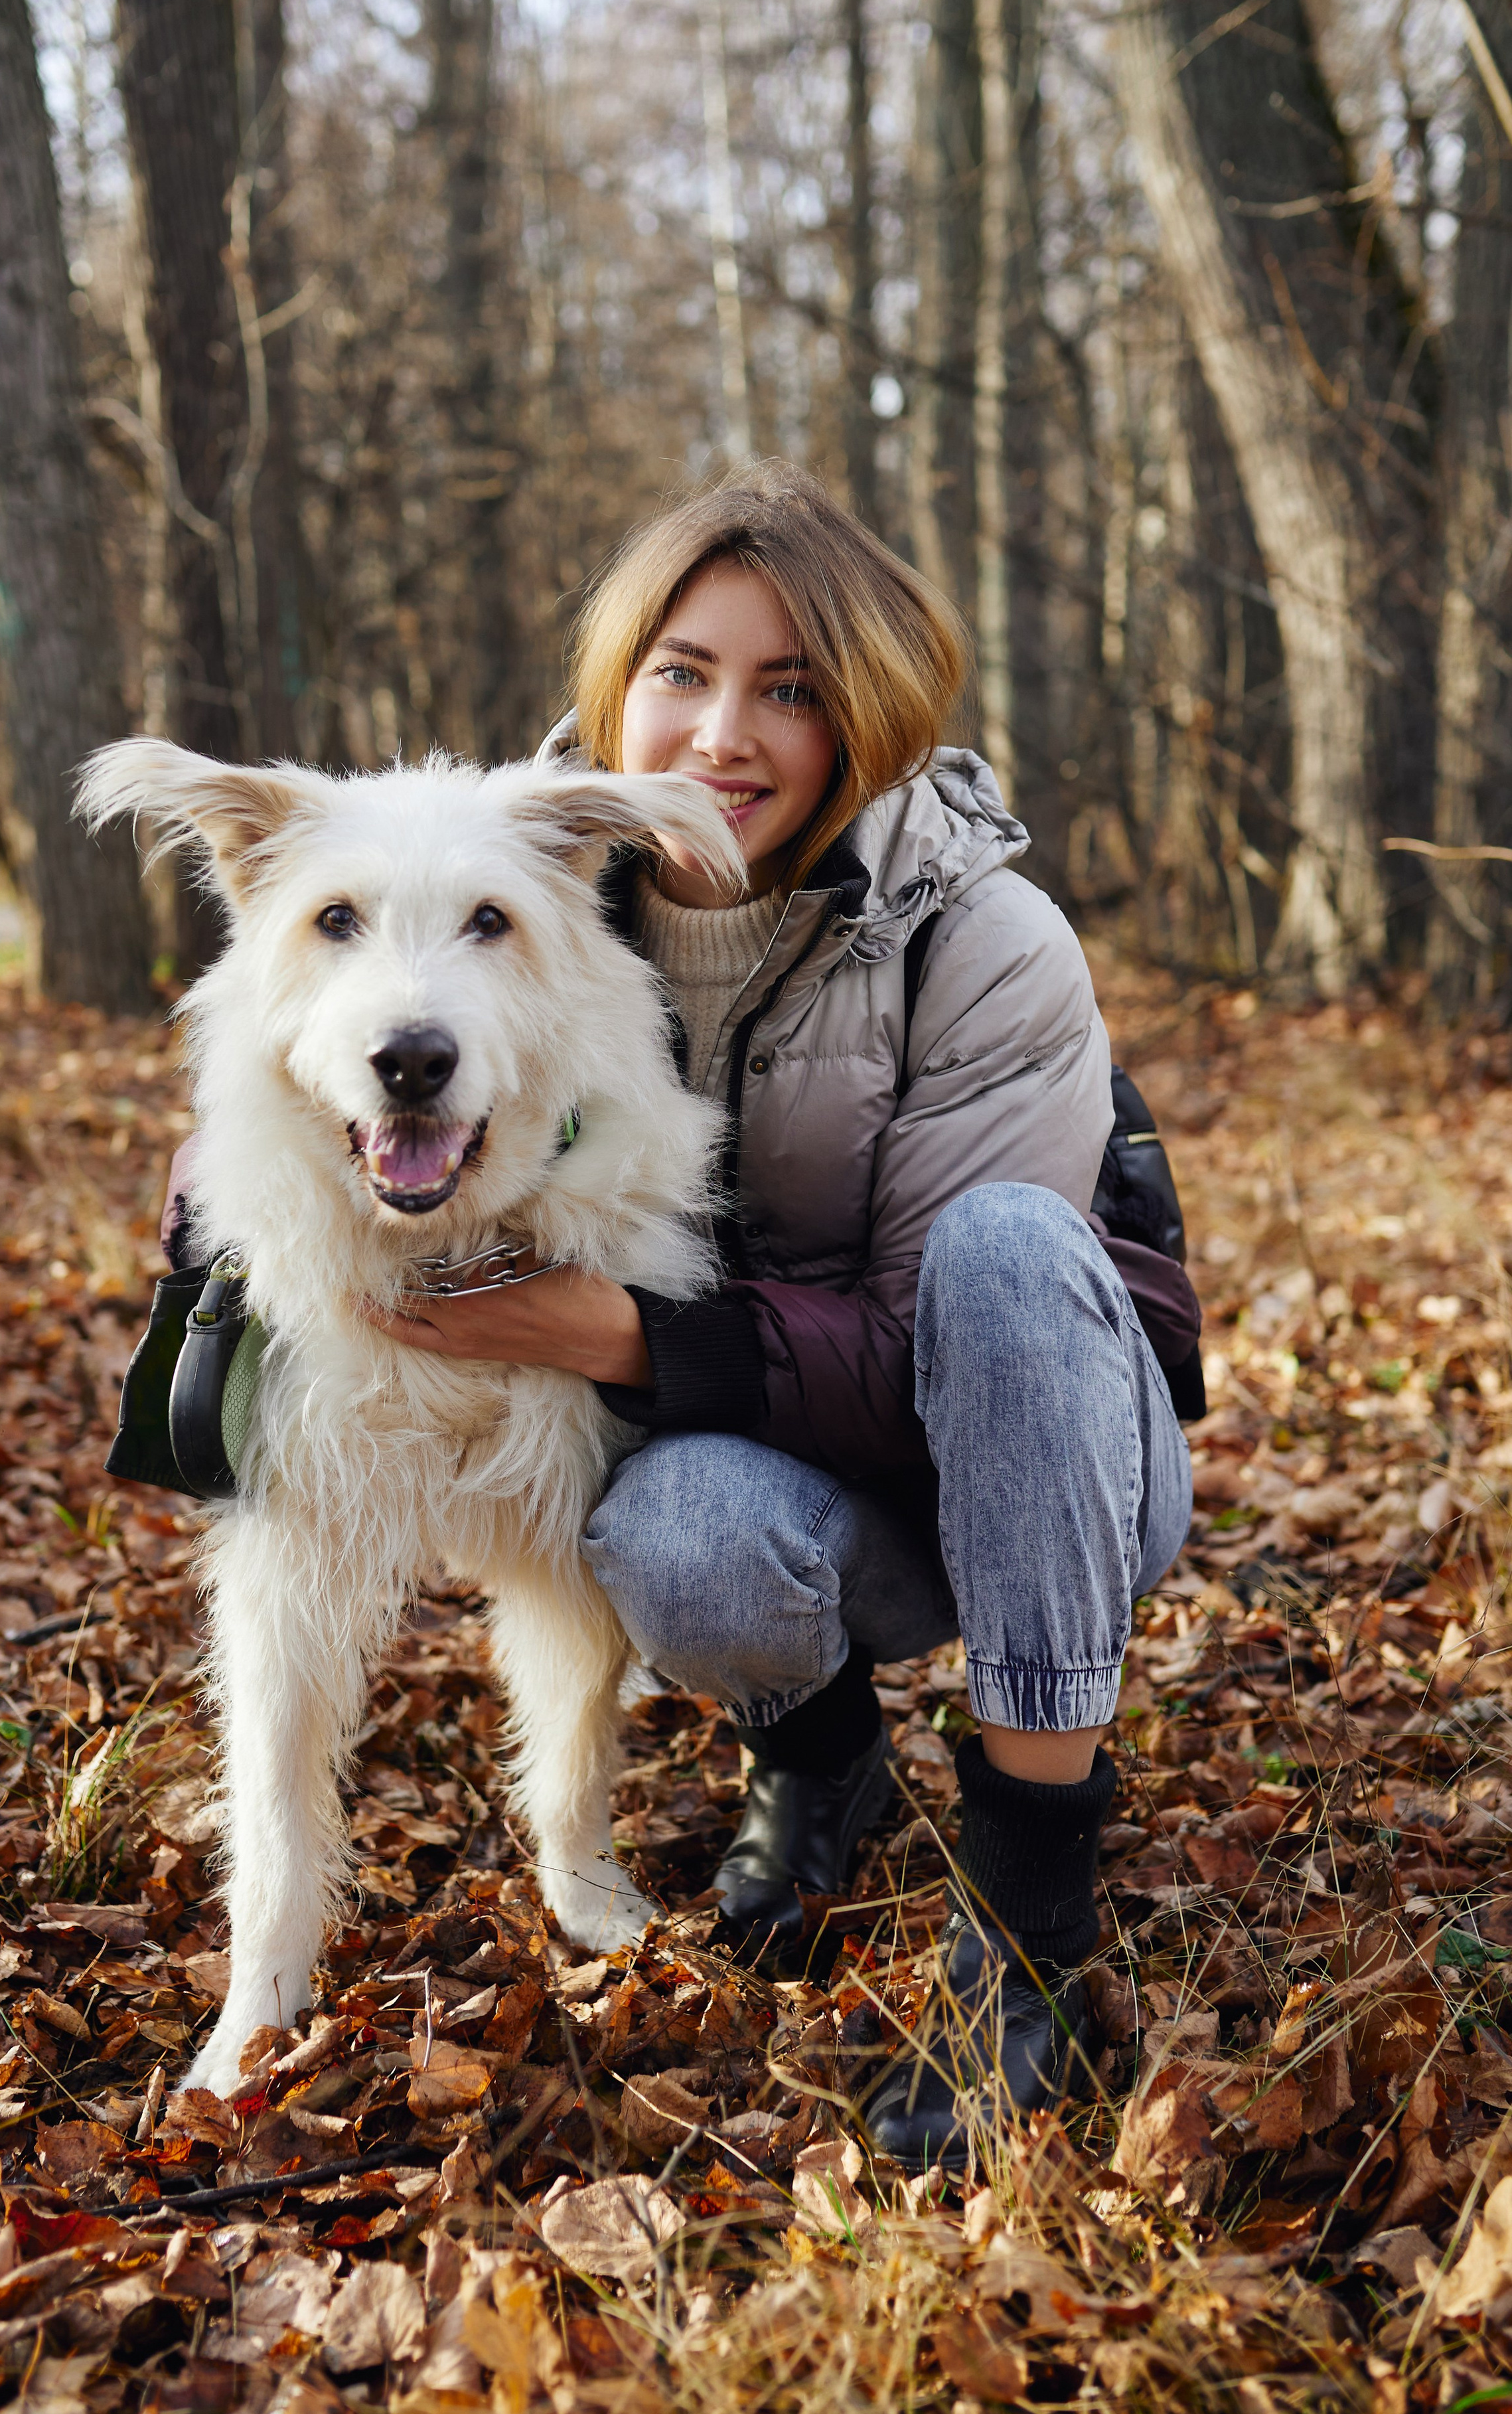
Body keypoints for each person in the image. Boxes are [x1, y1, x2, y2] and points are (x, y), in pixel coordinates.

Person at [281, 464, 1194, 2170]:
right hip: (778, 1475)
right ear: (616, 681)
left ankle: (1029, 1943)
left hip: (1045, 1456)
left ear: (866, 710)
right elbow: (303, 1044)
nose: (722, 734)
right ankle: (825, 1756)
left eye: (790, 687)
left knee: (999, 1245)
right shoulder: (519, 880)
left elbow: (956, 1345)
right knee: (671, 1529)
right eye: (682, 672)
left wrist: (613, 1332)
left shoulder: (982, 938)